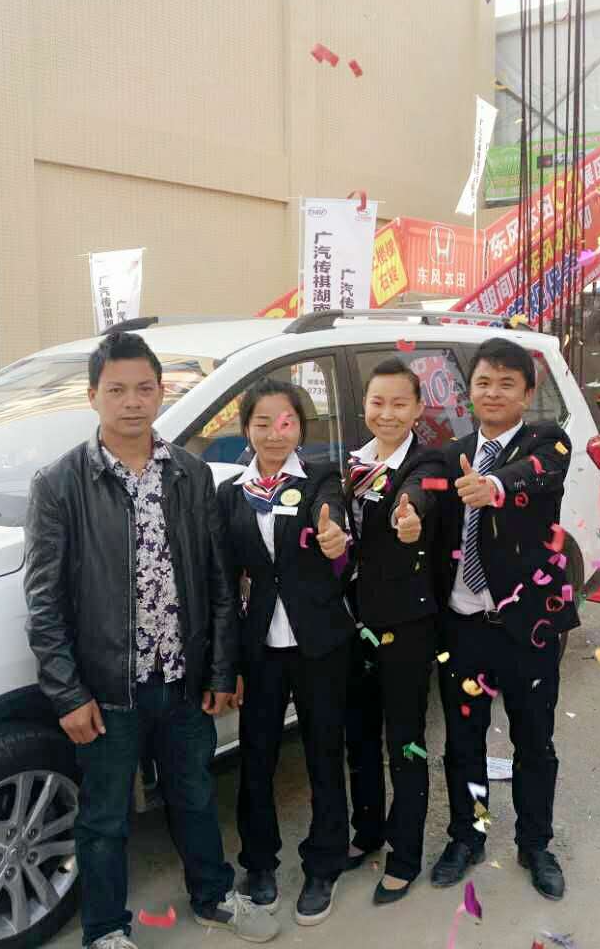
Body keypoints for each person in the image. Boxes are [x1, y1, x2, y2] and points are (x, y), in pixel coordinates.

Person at [23, 332, 278, 948]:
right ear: (93, 396)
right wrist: (67, 694)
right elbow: (44, 603)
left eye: (144, 388)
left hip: (182, 681)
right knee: (105, 816)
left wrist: (220, 671)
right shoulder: (61, 484)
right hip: (107, 691)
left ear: (161, 392)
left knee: (194, 795)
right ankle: (105, 930)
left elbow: (218, 582)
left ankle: (213, 896)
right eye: (117, 390)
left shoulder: (189, 474)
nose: (132, 402)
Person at [430, 336, 578, 902]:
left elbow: (536, 473)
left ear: (527, 393)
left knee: (534, 740)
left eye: (506, 384)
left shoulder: (547, 443)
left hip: (528, 629)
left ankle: (535, 844)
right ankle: (467, 837)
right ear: (470, 390)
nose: (493, 393)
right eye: (484, 383)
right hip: (464, 626)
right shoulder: (451, 452)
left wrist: (491, 485)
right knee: (463, 740)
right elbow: (427, 499)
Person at [216, 378, 353, 926]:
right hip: (260, 649)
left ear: (300, 427)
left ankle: (324, 863)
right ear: (246, 429)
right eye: (262, 423)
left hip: (319, 643)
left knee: (324, 753)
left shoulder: (320, 478)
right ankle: (259, 863)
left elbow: (332, 515)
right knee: (257, 758)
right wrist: (228, 663)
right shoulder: (231, 494)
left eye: (286, 422)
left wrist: (334, 537)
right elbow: (225, 582)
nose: (275, 433)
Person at [344, 357, 447, 904]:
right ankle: (366, 833)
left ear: (417, 408)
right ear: (365, 404)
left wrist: (410, 519)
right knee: (359, 736)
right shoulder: (353, 462)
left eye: (399, 403)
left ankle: (404, 856)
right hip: (355, 621)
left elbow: (419, 494)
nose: (387, 413)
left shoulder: (427, 460)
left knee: (404, 740)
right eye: (378, 402)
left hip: (406, 624)